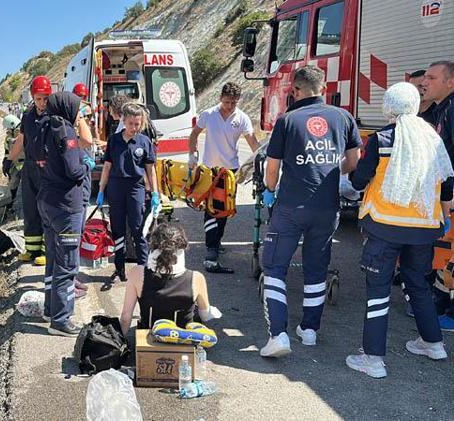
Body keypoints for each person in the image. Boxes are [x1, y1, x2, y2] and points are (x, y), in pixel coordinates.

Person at [346, 82, 453, 378]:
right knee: (418, 284)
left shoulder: (381, 139)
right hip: (423, 228)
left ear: (389, 107)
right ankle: (433, 343)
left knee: (378, 290)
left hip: (385, 226)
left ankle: (373, 358)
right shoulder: (432, 139)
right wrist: (443, 217)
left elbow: (358, 181)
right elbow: (447, 185)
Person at [259, 66, 362, 358]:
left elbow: (272, 168)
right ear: (324, 88)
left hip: (291, 206)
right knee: (316, 268)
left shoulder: (287, 120)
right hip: (327, 208)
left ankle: (278, 335)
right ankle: (309, 330)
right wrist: (330, 170)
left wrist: (269, 190)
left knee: (275, 267)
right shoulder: (343, 117)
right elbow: (354, 160)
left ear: (294, 91)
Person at [188, 82, 260, 273]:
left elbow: (252, 142)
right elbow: (194, 134)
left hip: (230, 171)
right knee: (211, 208)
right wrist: (192, 155)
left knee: (225, 209)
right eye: (227, 102)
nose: (229, 106)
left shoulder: (242, 118)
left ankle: (216, 240)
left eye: (233, 103)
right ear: (221, 98)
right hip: (210, 169)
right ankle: (211, 247)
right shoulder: (209, 114)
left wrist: (262, 159)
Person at [38, 91, 94, 336]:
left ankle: (50, 310)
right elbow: (74, 170)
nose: (80, 112)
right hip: (66, 208)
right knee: (68, 264)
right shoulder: (66, 133)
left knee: (53, 260)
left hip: (47, 202)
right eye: (78, 108)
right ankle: (61, 320)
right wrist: (86, 165)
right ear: (67, 108)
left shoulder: (46, 127)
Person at [119, 223, 221, 335]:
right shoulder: (196, 278)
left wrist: (120, 341)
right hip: (184, 338)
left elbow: (125, 317)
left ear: (152, 245)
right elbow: (205, 316)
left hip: (149, 335)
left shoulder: (137, 273)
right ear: (182, 247)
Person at [97, 102, 159, 284]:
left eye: (137, 124)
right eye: (131, 123)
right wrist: (101, 190)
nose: (134, 127)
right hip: (115, 187)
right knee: (118, 230)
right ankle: (119, 270)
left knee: (138, 228)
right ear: (123, 121)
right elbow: (107, 167)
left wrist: (155, 193)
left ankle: (144, 269)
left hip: (135, 188)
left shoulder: (144, 142)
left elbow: (150, 170)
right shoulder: (114, 140)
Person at [6, 76, 52, 266]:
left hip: (48, 169)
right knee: (30, 208)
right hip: (30, 167)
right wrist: (9, 159)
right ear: (33, 97)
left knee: (47, 210)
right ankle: (32, 249)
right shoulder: (28, 115)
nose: (42, 102)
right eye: (38, 98)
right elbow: (21, 139)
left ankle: (47, 251)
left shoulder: (55, 115)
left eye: (45, 98)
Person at [424, 60, 454, 329]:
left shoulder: (452, 110)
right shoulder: (440, 109)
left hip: (451, 192)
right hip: (445, 192)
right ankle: (443, 305)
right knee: (446, 253)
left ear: (450, 82)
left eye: (432, 78)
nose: (425, 82)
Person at [1, 114, 24, 212]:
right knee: (12, 185)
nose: (7, 130)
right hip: (15, 165)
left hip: (25, 164)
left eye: (8, 128)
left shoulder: (22, 133)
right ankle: (9, 206)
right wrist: (5, 161)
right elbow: (7, 150)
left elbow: (17, 145)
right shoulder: (9, 136)